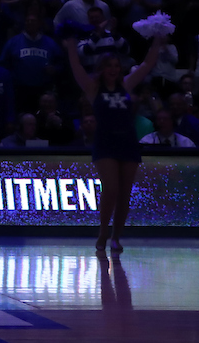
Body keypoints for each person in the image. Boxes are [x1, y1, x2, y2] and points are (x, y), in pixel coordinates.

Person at [64, 33, 164, 251]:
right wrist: (71, 45)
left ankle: (116, 237)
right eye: (109, 65)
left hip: (128, 142)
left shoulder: (126, 85)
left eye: (117, 66)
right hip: (105, 142)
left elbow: (147, 64)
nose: (113, 69)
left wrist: (157, 40)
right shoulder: (93, 88)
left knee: (125, 194)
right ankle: (103, 233)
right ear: (101, 68)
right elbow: (76, 67)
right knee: (110, 189)